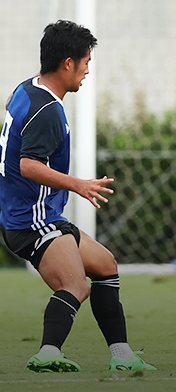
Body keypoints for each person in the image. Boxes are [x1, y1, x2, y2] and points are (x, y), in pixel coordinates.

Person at [0, 20, 156, 373]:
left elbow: (15, 127)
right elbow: (28, 165)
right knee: (74, 285)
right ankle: (47, 352)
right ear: (67, 63)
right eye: (85, 62)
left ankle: (122, 357)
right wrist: (78, 185)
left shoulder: (28, 88)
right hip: (32, 220)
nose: (87, 70)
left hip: (40, 214)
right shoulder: (48, 112)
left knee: (105, 266)